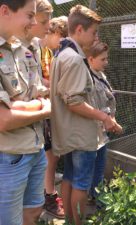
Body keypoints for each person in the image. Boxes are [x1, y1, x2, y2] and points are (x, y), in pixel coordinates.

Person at [50, 5, 118, 224]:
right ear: (79, 29)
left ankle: (71, 220)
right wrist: (104, 117)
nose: (96, 36)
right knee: (82, 183)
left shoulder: (62, 53)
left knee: (70, 177)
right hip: (80, 134)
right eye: (93, 32)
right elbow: (74, 101)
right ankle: (77, 222)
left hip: (70, 132)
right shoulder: (75, 60)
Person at [0, 0, 51, 224]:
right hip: (8, 157)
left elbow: (39, 92)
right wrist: (43, 110)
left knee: (33, 210)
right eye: (29, 15)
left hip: (35, 147)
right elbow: (4, 120)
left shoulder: (19, 49)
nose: (33, 22)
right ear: (4, 11)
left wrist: (24, 105)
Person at [39, 15, 68, 219]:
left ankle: (47, 192)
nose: (63, 42)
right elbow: (37, 79)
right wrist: (54, 86)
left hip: (50, 108)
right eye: (62, 37)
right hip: (42, 109)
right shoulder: (35, 48)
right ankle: (49, 197)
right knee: (50, 157)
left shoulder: (50, 51)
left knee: (53, 156)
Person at [87, 42, 122, 201]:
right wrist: (108, 120)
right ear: (91, 59)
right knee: (89, 167)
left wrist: (112, 118)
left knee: (100, 166)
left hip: (102, 130)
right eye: (103, 59)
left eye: (107, 59)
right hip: (91, 131)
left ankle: (96, 195)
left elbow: (109, 99)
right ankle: (95, 197)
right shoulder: (88, 78)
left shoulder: (100, 74)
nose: (106, 62)